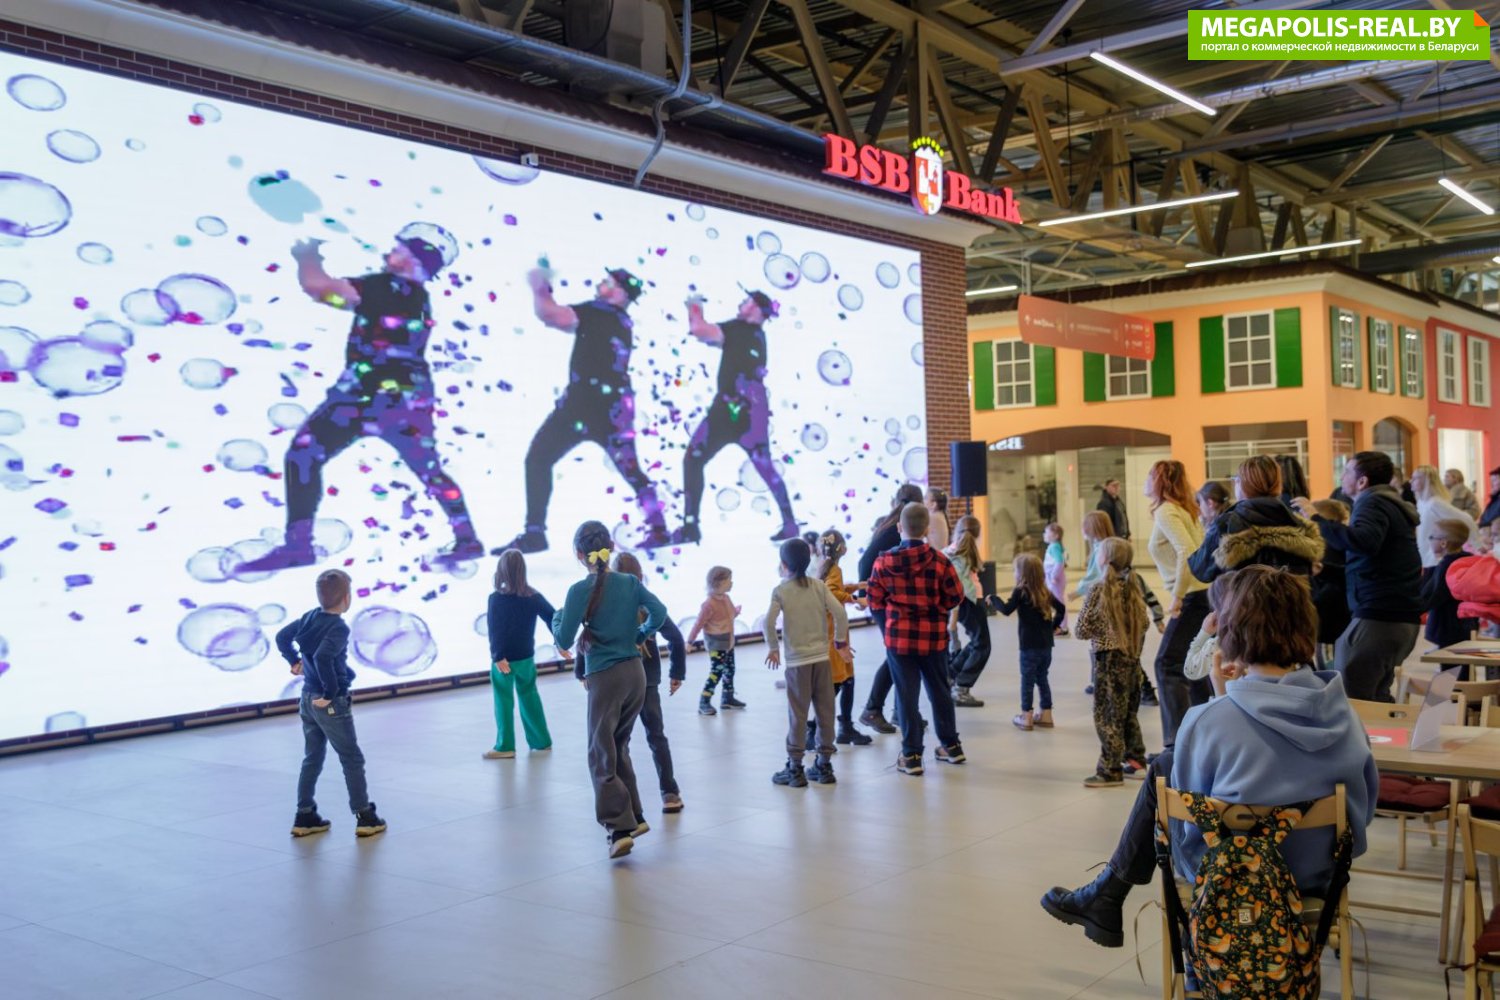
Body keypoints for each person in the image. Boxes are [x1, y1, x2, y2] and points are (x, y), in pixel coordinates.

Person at [1040, 565, 1378, 951]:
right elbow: (1364, 810)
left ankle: (1112, 897)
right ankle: (1106, 896)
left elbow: (1188, 815)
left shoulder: (1208, 721)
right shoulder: (1345, 715)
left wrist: (1222, 700)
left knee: (1166, 770)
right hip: (1319, 875)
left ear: (1231, 633)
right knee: (1169, 768)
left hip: (1227, 878)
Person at [239, 231, 481, 573]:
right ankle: (467, 538)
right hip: (411, 396)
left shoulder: (383, 285)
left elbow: (320, 289)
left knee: (303, 454)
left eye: (398, 248)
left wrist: (307, 256)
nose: (389, 252)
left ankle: (298, 544)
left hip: (365, 393)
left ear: (412, 259)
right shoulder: (419, 297)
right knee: (429, 470)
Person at [503, 264, 669, 554]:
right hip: (615, 408)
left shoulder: (598, 312)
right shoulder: (622, 321)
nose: (601, 284)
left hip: (582, 406)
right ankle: (659, 529)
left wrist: (540, 286)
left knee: (538, 459)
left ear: (620, 292)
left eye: (608, 282)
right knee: (632, 470)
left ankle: (534, 533)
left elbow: (551, 315)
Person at [551, 520, 667, 859]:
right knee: (618, 746)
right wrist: (640, 634)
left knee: (600, 752)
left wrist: (557, 618)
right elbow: (659, 613)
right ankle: (636, 816)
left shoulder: (578, 591)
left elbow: (563, 640)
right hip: (635, 674)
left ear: (579, 554)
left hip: (605, 677)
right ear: (611, 548)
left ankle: (619, 829)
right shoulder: (629, 582)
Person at [1293, 451, 1422, 703]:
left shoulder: (1372, 502)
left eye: (1346, 472)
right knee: (1377, 698)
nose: (1341, 477)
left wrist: (1316, 519)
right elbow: (1376, 560)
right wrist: (1326, 570)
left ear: (1362, 481)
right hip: (1396, 615)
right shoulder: (1390, 504)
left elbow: (1364, 542)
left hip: (1378, 616)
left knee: (1352, 700)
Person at [676, 290, 798, 544]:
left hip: (729, 408)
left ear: (756, 309)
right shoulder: (756, 335)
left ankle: (690, 527)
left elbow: (699, 330)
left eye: (747, 300)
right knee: (764, 466)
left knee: (693, 460)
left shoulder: (740, 329)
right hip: (753, 408)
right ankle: (790, 523)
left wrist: (694, 305)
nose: (742, 303)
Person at [277, 569, 386, 838]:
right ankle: (365, 816)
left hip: (307, 698)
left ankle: (304, 815)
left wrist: (294, 661)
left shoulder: (309, 617)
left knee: (312, 757)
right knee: (351, 758)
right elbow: (324, 657)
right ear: (347, 598)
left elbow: (282, 637)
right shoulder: (338, 627)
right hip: (330, 702)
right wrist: (330, 692)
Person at [867, 502, 966, 776]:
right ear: (926, 529)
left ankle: (911, 755)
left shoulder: (883, 562)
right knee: (940, 691)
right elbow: (955, 597)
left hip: (899, 640)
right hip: (934, 639)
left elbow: (874, 600)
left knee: (906, 696)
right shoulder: (940, 562)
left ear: (900, 527)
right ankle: (951, 746)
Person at [764, 538, 851, 787]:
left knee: (798, 715)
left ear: (783, 565)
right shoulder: (818, 586)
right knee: (826, 712)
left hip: (797, 663)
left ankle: (795, 769)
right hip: (822, 659)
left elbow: (768, 622)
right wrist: (840, 642)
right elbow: (840, 613)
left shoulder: (780, 591)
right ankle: (824, 765)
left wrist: (773, 647)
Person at [609, 552, 686, 813]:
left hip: (619, 681)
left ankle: (624, 799)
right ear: (640, 576)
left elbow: (589, 637)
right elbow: (676, 638)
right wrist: (677, 673)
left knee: (620, 741)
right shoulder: (648, 604)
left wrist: (581, 672)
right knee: (656, 736)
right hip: (648, 682)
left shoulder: (609, 605)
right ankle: (670, 793)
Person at [1145, 460, 1211, 750]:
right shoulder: (1186, 509)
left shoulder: (1167, 511)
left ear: (1159, 481)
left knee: (1167, 664)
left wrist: (1178, 595)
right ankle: (1202, 735)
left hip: (1192, 597)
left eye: (1150, 477)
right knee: (1191, 665)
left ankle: (1177, 744)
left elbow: (1187, 551)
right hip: (1203, 594)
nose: (1146, 482)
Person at [1074, 538, 1150, 788]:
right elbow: (1145, 623)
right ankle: (1136, 760)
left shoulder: (1098, 589)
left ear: (1104, 559)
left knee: (1107, 716)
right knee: (1128, 712)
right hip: (1131, 659)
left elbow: (1081, 629)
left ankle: (1110, 769)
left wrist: (1103, 629)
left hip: (1108, 660)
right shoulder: (1133, 586)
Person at [1188, 455, 1323, 584]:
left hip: (1243, 599)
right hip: (1291, 600)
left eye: (1237, 479)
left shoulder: (1227, 523)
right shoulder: (1299, 524)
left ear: (1242, 484)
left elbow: (1200, 570)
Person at [857, 483, 926, 734]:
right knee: (898, 655)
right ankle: (873, 709)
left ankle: (900, 710)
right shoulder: (897, 527)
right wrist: (867, 594)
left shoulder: (893, 523)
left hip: (886, 599)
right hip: (884, 601)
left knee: (900, 654)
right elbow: (865, 562)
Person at [483, 550, 558, 759]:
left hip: (504, 660)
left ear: (501, 571)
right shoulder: (533, 596)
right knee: (529, 696)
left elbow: (495, 629)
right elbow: (553, 617)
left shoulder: (496, 598)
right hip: (526, 658)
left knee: (503, 701)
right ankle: (541, 742)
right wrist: (560, 641)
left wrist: (497, 655)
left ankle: (505, 746)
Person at [993, 553, 1066, 731]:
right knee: (1042, 677)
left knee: (1027, 680)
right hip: (1046, 646)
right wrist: (1053, 627)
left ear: (1021, 573)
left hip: (1029, 646)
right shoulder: (1045, 591)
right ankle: (1046, 713)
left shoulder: (1020, 591)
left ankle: (1026, 716)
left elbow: (1006, 610)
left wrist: (993, 599)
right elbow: (1061, 609)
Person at [814, 529, 872, 746]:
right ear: (843, 550)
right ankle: (821, 728)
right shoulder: (835, 569)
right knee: (842, 681)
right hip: (835, 634)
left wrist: (856, 586)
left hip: (831, 632)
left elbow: (833, 587)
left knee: (845, 680)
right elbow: (832, 592)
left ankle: (839, 726)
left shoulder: (824, 567)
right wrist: (855, 598)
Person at [946, 514, 992, 708]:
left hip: (969, 602)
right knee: (982, 645)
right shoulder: (961, 555)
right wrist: (953, 617)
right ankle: (961, 688)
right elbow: (958, 586)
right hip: (970, 602)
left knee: (977, 642)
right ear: (978, 534)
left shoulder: (952, 550)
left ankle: (951, 674)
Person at [688, 566, 744, 715]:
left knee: (730, 670)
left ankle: (727, 699)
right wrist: (689, 642)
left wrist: (735, 612)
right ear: (719, 582)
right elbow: (698, 624)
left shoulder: (726, 598)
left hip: (728, 642)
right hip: (716, 644)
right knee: (716, 672)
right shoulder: (709, 604)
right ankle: (704, 701)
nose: (731, 583)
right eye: (729, 580)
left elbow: (728, 615)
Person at [1422, 519, 1479, 651]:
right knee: (1459, 657)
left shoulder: (1447, 565)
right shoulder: (1467, 561)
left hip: (1447, 625)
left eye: (1432, 537)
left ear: (1443, 543)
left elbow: (1433, 595)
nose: (1429, 540)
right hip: (1466, 622)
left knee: (1448, 659)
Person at [1310, 499, 1352, 666]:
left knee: (1329, 671)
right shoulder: (1343, 546)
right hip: (1339, 623)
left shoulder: (1329, 550)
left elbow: (1331, 591)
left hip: (1329, 627)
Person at [1410, 464, 1477, 568]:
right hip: (1424, 555)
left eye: (1416, 478)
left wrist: (1477, 543)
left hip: (1434, 559)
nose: (1411, 481)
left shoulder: (1435, 503)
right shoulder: (1422, 503)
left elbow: (1466, 519)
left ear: (1427, 480)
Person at [1043, 522, 1069, 636]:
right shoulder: (1055, 546)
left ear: (1056, 535)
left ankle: (1062, 627)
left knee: (1059, 604)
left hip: (1056, 580)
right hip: (1054, 579)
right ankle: (1058, 625)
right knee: (1056, 602)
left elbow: (1059, 562)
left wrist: (1053, 576)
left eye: (1047, 532)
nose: (1044, 534)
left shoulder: (1054, 547)